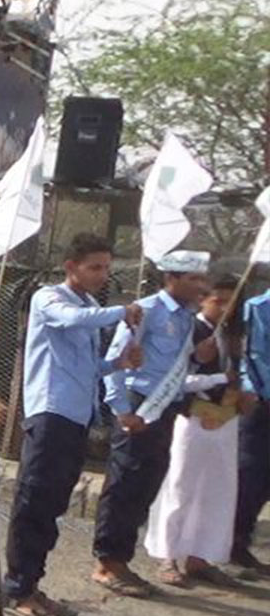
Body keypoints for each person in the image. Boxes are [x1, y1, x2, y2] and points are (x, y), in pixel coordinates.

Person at [3, 233, 143, 616]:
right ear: (72, 267)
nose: (101, 275)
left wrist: (119, 364)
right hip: (50, 414)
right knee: (33, 503)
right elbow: (71, 320)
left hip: (77, 417)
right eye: (94, 267)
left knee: (50, 507)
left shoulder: (92, 305)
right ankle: (17, 589)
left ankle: (32, 582)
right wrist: (121, 312)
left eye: (106, 268)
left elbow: (90, 366)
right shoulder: (50, 298)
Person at [94, 250, 210, 597]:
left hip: (165, 409)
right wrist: (120, 411)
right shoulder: (146, 311)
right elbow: (118, 358)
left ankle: (121, 559)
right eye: (193, 279)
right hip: (139, 405)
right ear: (171, 278)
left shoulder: (189, 317)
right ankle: (105, 562)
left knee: (145, 484)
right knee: (124, 483)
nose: (200, 286)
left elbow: (177, 368)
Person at [143, 273, 249, 587]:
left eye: (231, 302)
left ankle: (201, 555)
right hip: (193, 418)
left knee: (216, 491)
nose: (225, 308)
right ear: (203, 299)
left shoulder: (231, 336)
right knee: (181, 487)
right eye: (219, 301)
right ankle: (168, 555)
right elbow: (178, 379)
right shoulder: (191, 331)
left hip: (226, 420)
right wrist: (218, 378)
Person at [231, 275, 269, 575]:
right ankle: (235, 543)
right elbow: (255, 356)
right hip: (260, 401)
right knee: (251, 476)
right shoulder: (259, 307)